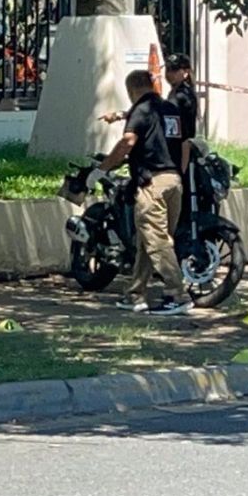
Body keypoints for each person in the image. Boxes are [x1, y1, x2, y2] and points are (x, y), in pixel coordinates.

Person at [88, 70, 191, 316]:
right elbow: (186, 144)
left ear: (132, 88)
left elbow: (128, 142)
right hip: (174, 181)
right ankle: (136, 294)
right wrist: (178, 173)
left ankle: (178, 295)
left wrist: (102, 169)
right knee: (149, 240)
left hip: (151, 183)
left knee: (156, 241)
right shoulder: (169, 109)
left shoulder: (141, 110)